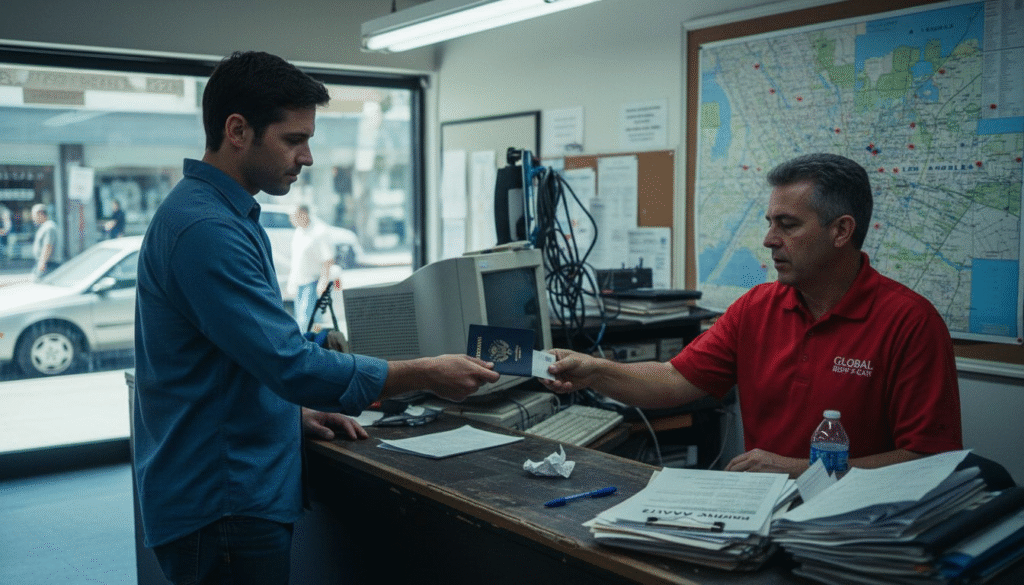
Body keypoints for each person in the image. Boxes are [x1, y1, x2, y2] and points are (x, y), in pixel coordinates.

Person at [133, 51, 499, 585]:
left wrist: (288, 418)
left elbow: (230, 363)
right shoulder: (206, 229)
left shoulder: (222, 214)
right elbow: (289, 364)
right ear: (238, 130)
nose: (306, 157)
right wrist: (423, 373)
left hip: (224, 484)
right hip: (222, 502)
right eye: (292, 139)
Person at [543, 153, 963, 478]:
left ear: (841, 231)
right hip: (761, 513)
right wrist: (594, 371)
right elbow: (673, 382)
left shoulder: (910, 322)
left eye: (788, 225)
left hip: (858, 530)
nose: (768, 239)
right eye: (769, 222)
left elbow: (928, 460)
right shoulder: (757, 308)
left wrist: (801, 471)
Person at [286, 203, 333, 330]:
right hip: (300, 282)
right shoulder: (299, 232)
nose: (291, 219)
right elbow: (296, 260)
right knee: (302, 321)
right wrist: (292, 283)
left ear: (303, 214)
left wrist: (323, 282)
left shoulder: (319, 231)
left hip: (313, 282)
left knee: (307, 321)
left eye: (293, 216)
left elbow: (327, 259)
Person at [31, 202, 60, 280]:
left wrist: (42, 263)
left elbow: (48, 245)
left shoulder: (49, 227)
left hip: (49, 264)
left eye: (34, 215)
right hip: (44, 263)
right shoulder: (44, 227)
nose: (33, 218)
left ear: (40, 213)